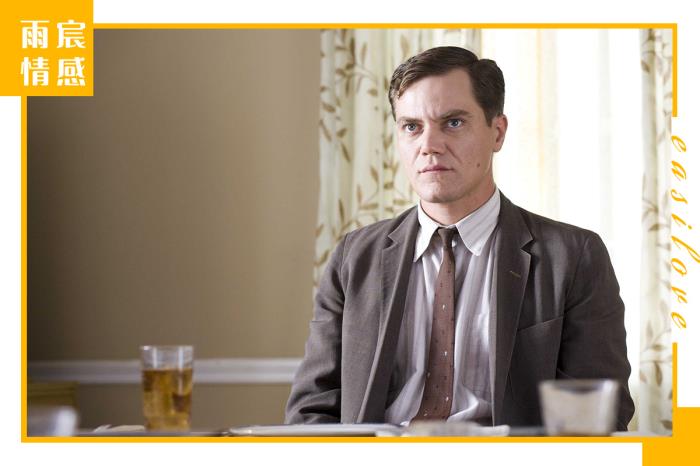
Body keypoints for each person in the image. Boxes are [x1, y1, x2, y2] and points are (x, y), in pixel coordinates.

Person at [285, 46, 634, 430]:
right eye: (411, 126)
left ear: (497, 132)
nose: (429, 145)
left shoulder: (574, 257)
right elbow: (312, 410)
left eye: (452, 123)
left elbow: (598, 415)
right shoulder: (355, 257)